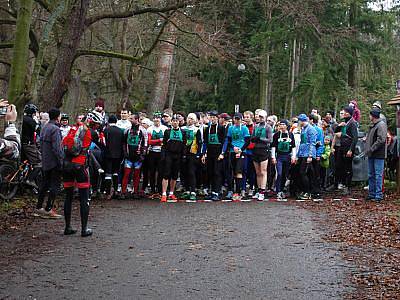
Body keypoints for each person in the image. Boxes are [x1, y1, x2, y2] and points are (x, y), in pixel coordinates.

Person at [62, 113, 93, 237]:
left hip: (67, 165)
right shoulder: (88, 132)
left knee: (68, 197)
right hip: (80, 166)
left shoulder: (71, 129)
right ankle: (84, 229)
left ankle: (67, 226)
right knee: (84, 197)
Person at [34, 108, 64, 219]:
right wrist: (61, 161)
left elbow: (39, 143)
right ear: (57, 117)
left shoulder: (44, 127)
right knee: (54, 186)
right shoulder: (55, 129)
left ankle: (38, 207)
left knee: (44, 184)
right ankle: (48, 209)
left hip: (45, 161)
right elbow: (57, 148)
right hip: (54, 162)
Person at [222, 112, 250, 201]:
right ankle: (231, 190)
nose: (237, 121)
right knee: (231, 171)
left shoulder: (245, 129)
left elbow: (247, 141)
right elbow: (229, 140)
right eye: (235, 119)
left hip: (242, 152)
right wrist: (233, 148)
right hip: (232, 151)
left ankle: (238, 191)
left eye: (238, 119)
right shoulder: (231, 128)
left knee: (239, 172)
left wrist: (241, 150)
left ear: (241, 120)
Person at [160, 115, 187, 202]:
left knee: (175, 175)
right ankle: (164, 193)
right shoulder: (167, 132)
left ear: (179, 122)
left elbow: (184, 145)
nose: (175, 122)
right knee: (166, 174)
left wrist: (184, 155)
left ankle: (171, 193)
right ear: (171, 122)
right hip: (169, 154)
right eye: (173, 121)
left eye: (176, 121)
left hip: (178, 155)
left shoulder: (183, 132)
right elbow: (164, 145)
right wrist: (163, 155)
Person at [121, 113, 147, 199]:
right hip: (128, 156)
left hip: (138, 157)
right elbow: (123, 142)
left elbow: (146, 143)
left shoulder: (143, 130)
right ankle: (123, 192)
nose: (130, 120)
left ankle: (135, 192)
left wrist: (143, 155)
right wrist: (125, 152)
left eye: (131, 118)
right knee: (126, 174)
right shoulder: (127, 130)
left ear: (137, 119)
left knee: (136, 175)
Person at [201, 110, 226, 201]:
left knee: (217, 172)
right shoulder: (207, 128)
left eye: (215, 117)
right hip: (210, 152)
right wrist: (204, 153)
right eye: (211, 117)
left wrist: (222, 153)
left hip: (218, 152)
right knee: (210, 172)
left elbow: (224, 141)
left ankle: (217, 192)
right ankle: (212, 191)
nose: (213, 119)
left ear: (217, 118)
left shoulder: (221, 128)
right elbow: (205, 142)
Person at [335, 106, 358, 195]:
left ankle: (347, 186)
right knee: (339, 166)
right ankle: (341, 184)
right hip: (342, 147)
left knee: (348, 167)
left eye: (344, 112)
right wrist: (339, 126)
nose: (343, 113)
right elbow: (336, 132)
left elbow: (355, 137)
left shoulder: (352, 123)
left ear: (348, 113)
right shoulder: (345, 122)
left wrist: (351, 150)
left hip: (348, 148)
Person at [365, 108, 387, 202]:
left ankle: (378, 195)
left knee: (378, 175)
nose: (369, 117)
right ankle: (372, 193)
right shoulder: (374, 125)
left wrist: (371, 148)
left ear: (373, 116)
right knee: (371, 174)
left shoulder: (381, 125)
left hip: (378, 154)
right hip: (372, 154)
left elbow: (381, 139)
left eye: (370, 115)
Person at [271, 119, 296, 201]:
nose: (281, 126)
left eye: (283, 124)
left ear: (286, 126)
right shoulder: (276, 135)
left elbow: (293, 147)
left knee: (285, 174)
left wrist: (293, 156)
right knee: (279, 173)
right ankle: (278, 190)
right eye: (280, 124)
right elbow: (273, 146)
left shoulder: (291, 135)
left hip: (287, 156)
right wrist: (273, 157)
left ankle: (281, 189)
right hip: (279, 157)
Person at [251, 110, 273, 201]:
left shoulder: (268, 127)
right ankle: (259, 189)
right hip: (256, 150)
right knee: (258, 172)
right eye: (259, 117)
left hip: (264, 150)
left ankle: (262, 192)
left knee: (263, 171)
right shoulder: (256, 127)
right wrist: (254, 139)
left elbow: (270, 140)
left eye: (262, 117)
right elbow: (252, 138)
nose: (260, 118)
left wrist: (260, 139)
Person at [296, 114, 317, 200]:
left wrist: (310, 155)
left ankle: (308, 192)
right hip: (302, 153)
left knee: (304, 172)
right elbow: (302, 143)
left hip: (307, 154)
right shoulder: (303, 129)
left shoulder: (311, 129)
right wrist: (298, 154)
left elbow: (312, 143)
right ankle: (304, 190)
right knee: (301, 173)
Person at [181, 113, 201, 202]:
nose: (190, 120)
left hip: (193, 153)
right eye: (189, 118)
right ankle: (186, 190)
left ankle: (193, 191)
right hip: (183, 153)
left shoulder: (197, 130)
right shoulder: (182, 129)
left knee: (191, 172)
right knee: (184, 172)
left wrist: (198, 154)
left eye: (192, 119)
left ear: (195, 120)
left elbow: (200, 143)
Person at [103, 115, 124, 199]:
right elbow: (123, 143)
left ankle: (108, 192)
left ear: (108, 121)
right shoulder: (120, 131)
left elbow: (103, 142)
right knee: (116, 172)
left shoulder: (106, 130)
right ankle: (115, 190)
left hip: (108, 154)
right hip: (118, 155)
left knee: (108, 173)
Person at [147, 112, 168, 197]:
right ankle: (152, 189)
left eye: (158, 118)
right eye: (155, 118)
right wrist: (159, 140)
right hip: (152, 152)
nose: (156, 120)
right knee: (152, 171)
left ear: (160, 119)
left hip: (161, 152)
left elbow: (166, 141)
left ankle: (159, 189)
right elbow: (149, 141)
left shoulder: (165, 128)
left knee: (161, 172)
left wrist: (156, 142)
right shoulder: (149, 129)